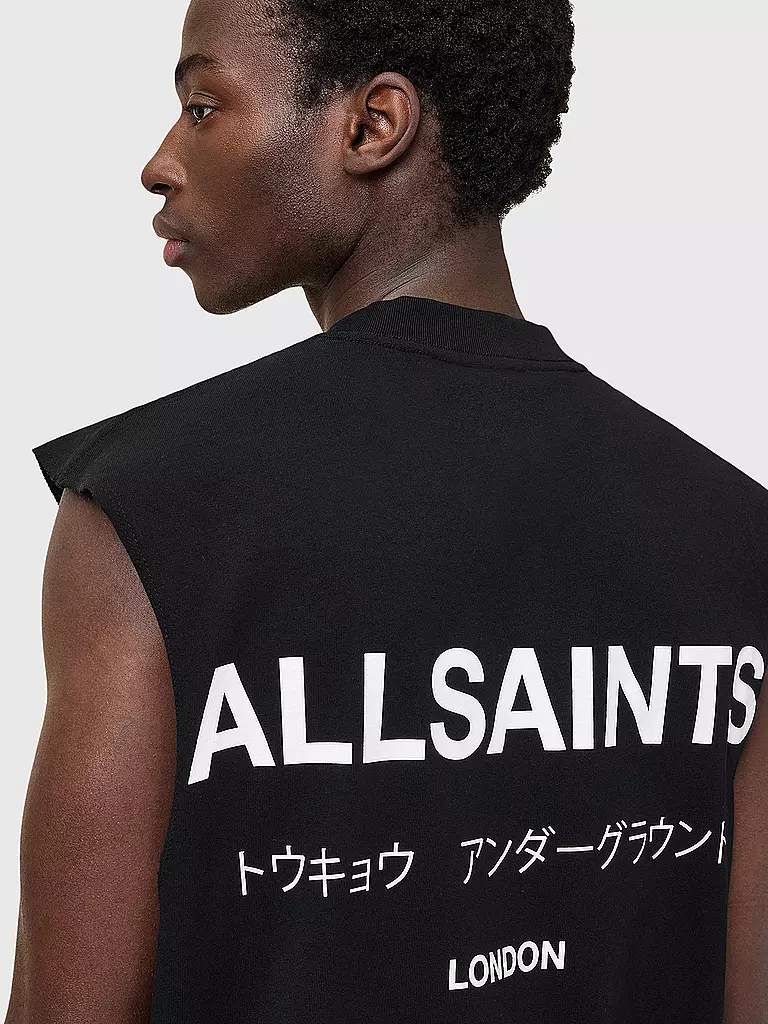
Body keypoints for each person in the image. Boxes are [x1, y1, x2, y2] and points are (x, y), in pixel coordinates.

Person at [7, 0, 767, 1020]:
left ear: (373, 127)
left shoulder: (153, 511)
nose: (159, 162)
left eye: (203, 106)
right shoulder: (738, 533)